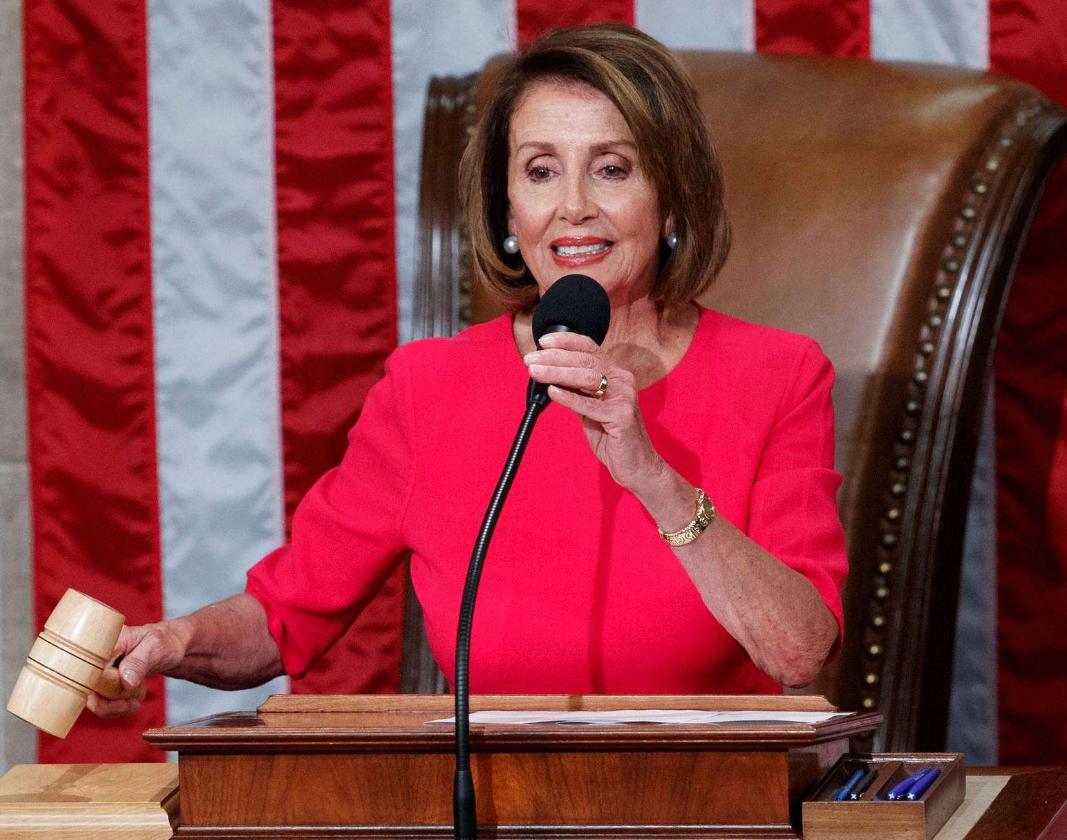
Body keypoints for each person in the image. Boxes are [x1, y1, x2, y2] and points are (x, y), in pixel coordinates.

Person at [90, 23, 846, 719]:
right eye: (541, 171)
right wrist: (172, 641)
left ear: (673, 201)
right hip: (488, 796)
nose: (574, 207)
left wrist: (653, 479)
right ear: (508, 212)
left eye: (611, 169)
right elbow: (284, 616)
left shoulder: (777, 375)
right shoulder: (427, 390)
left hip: (708, 795)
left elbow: (798, 651)